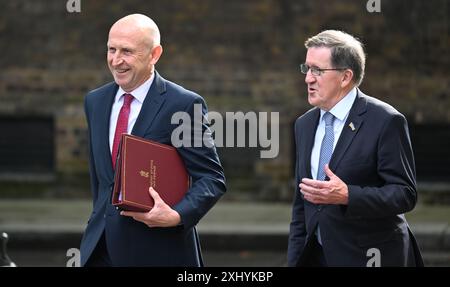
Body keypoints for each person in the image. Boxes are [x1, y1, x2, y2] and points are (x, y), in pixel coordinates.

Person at [79, 14, 226, 266]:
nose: (116, 60)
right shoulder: (95, 101)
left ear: (154, 54)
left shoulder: (183, 104)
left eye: (127, 51)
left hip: (158, 251)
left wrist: (177, 215)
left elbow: (211, 179)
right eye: (111, 49)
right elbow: (101, 180)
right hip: (99, 249)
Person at [287, 30, 423, 267]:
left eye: (317, 70)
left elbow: (404, 194)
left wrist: (348, 195)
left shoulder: (386, 121)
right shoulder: (304, 124)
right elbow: (302, 205)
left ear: (345, 77)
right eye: (306, 68)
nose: (308, 78)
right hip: (316, 256)